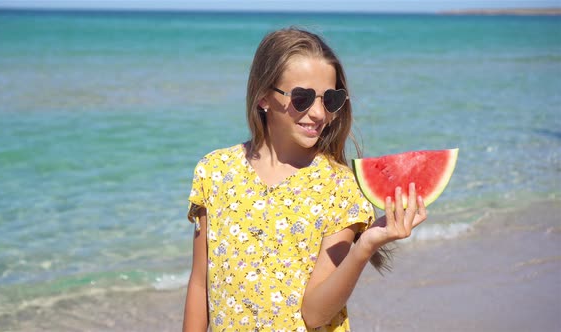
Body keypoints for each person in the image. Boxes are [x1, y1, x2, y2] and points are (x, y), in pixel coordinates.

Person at [182, 27, 427, 331]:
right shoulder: (215, 171)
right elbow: (199, 284)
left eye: (330, 99)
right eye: (302, 98)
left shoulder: (340, 188)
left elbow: (314, 314)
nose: (318, 113)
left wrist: (365, 247)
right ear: (263, 97)